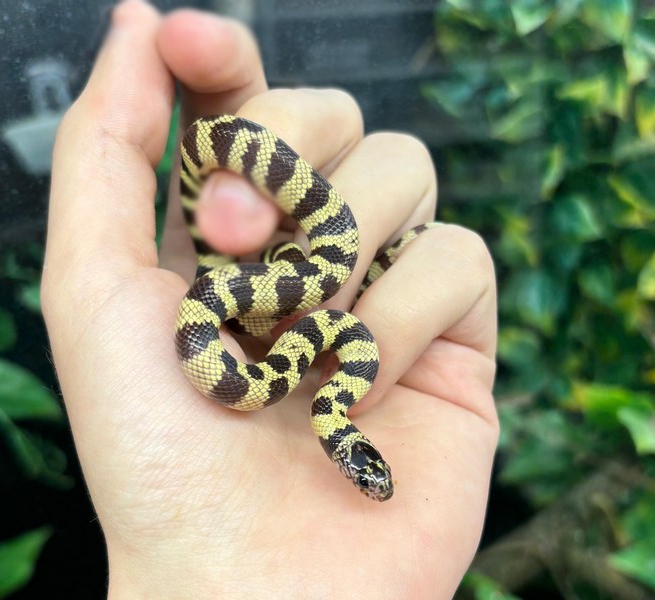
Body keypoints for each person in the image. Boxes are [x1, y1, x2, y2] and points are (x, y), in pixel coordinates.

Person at [41, 1, 499, 597]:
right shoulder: (308, 378)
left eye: (364, 479)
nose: (369, 482)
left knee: (319, 267)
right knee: (322, 263)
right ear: (353, 448)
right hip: (259, 282)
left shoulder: (297, 382)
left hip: (265, 309)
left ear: (345, 451)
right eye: (367, 475)